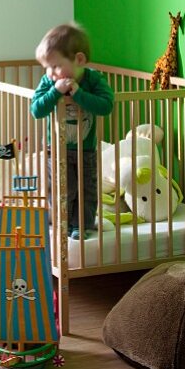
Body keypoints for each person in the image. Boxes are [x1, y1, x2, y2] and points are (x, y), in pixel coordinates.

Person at [30, 23, 114, 239]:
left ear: (79, 60)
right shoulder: (49, 82)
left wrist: (78, 94)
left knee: (87, 189)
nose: (51, 73)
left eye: (56, 66)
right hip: (56, 149)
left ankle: (83, 225)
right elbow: (37, 109)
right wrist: (55, 93)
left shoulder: (93, 79)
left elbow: (106, 105)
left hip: (85, 150)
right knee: (63, 190)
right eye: (47, 68)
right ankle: (63, 224)